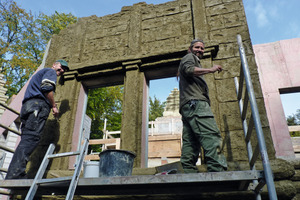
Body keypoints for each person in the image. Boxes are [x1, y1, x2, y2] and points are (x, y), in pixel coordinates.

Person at [5, 60, 69, 179]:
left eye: (64, 70)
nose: (62, 71)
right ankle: (15, 174)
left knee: (26, 139)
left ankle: (14, 173)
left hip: (29, 107)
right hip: (37, 107)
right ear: (54, 64)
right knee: (31, 138)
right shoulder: (50, 71)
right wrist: (54, 106)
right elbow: (47, 87)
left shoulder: (40, 74)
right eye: (61, 67)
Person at [178, 39, 227, 173]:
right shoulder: (189, 57)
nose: (200, 50)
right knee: (211, 135)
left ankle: (188, 172)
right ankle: (218, 172)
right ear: (190, 49)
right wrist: (210, 69)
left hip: (188, 106)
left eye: (202, 48)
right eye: (197, 47)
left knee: (191, 141)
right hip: (196, 104)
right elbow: (189, 70)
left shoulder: (190, 59)